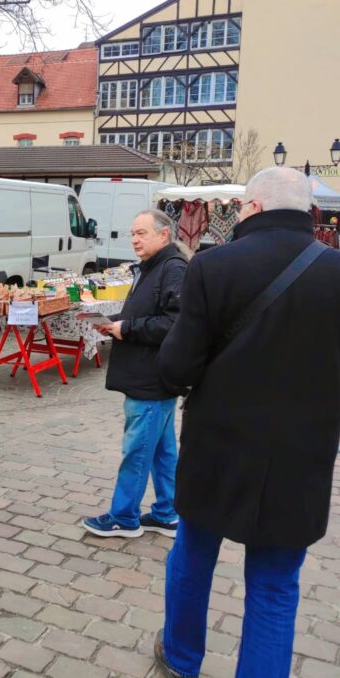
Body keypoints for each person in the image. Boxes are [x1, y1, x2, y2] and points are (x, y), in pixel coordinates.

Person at [154, 168, 340, 678]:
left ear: (252, 208)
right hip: (299, 457)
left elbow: (176, 370)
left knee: (192, 561)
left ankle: (181, 659)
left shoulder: (213, 267)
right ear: (308, 212)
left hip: (217, 447)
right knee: (276, 588)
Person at [81, 209, 188, 539]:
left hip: (151, 378)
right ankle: (168, 512)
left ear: (163, 235)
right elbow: (150, 312)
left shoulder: (173, 269)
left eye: (141, 233)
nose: (135, 239)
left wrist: (126, 328)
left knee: (138, 451)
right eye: (132, 233)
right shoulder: (151, 268)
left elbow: (175, 323)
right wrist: (114, 323)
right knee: (162, 450)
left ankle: (124, 517)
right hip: (149, 374)